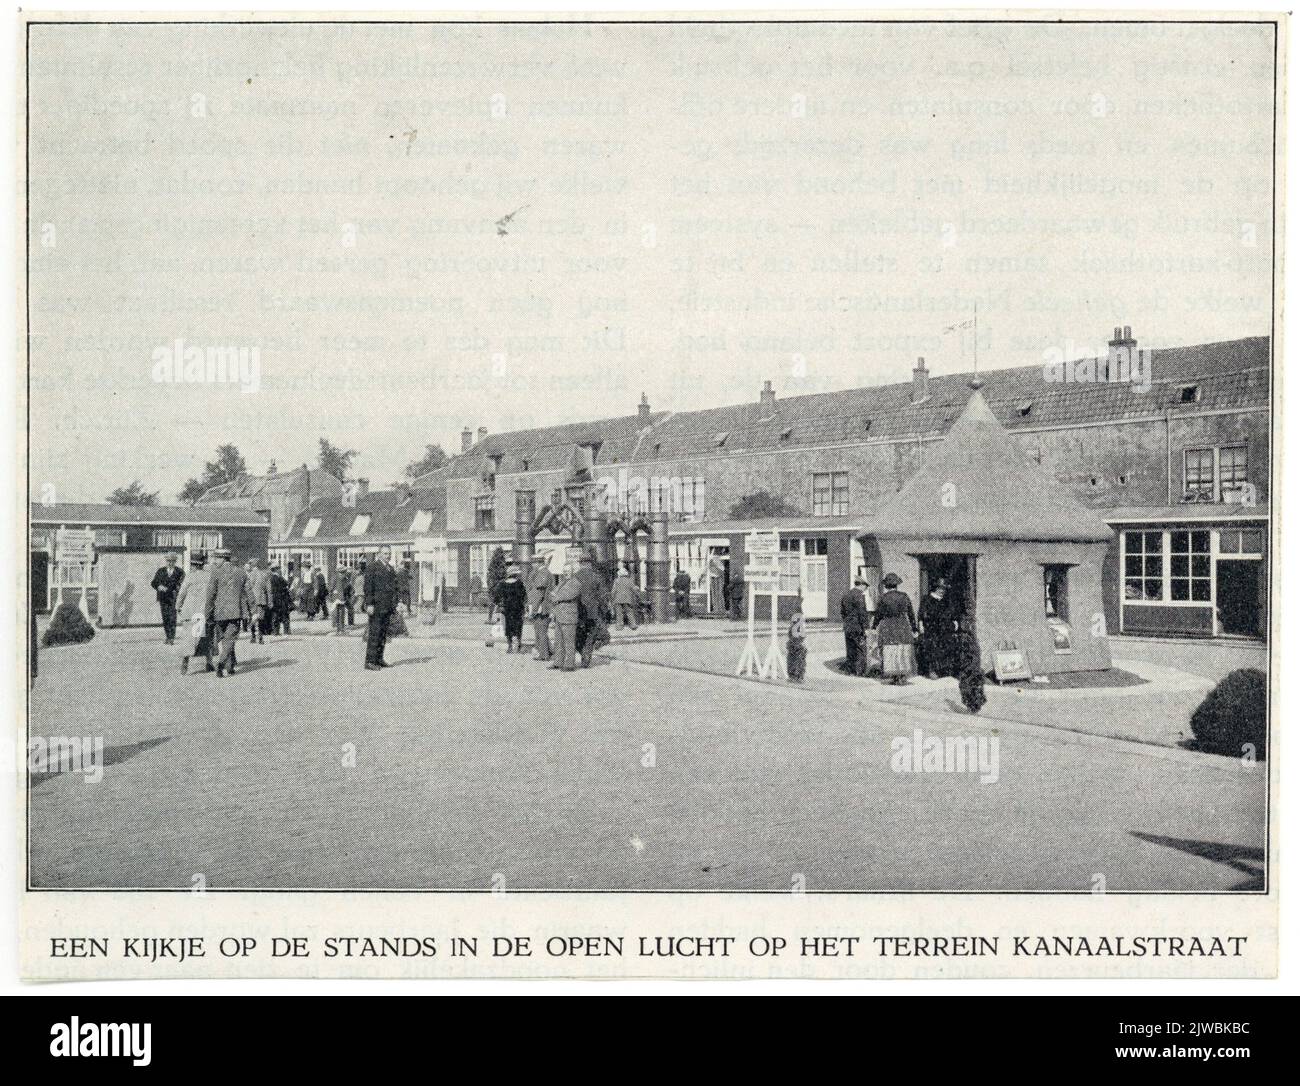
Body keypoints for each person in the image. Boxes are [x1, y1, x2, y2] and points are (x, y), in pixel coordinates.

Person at [204, 548, 255, 677]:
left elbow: (210, 595)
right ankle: (225, 664)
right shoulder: (241, 572)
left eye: (216, 558)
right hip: (235, 612)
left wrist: (207, 613)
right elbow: (249, 593)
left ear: (222, 558)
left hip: (219, 613)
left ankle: (225, 664)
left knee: (225, 640)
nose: (215, 561)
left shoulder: (215, 572)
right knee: (230, 639)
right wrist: (253, 611)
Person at [872, 572, 918, 686]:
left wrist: (874, 626)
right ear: (896, 585)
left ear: (886, 586)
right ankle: (902, 676)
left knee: (890, 649)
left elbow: (878, 614)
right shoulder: (904, 596)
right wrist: (914, 628)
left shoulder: (883, 598)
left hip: (888, 625)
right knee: (902, 648)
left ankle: (894, 676)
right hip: (902, 624)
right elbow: (911, 613)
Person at [363, 547, 401, 670]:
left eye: (389, 554)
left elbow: (394, 587)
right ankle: (370, 661)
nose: (388, 556)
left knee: (383, 634)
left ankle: (379, 659)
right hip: (376, 606)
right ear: (379, 554)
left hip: (387, 606)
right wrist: (369, 604)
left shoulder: (390, 569)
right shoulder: (372, 567)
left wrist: (396, 603)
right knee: (375, 633)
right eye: (385, 554)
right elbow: (368, 587)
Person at [175, 554, 213, 675]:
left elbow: (182, 593)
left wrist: (178, 606)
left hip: (190, 611)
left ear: (193, 565)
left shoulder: (189, 577)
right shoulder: (209, 576)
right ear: (202, 564)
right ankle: (209, 662)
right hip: (204, 611)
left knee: (188, 638)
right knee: (205, 637)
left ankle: (185, 663)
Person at [917, 579, 957, 680]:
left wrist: (954, 622)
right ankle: (932, 670)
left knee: (944, 648)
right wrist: (921, 625)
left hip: (944, 628)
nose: (942, 591)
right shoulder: (927, 599)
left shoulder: (945, 600)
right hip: (931, 628)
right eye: (940, 588)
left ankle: (943, 670)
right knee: (931, 649)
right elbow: (921, 614)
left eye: (943, 589)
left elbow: (951, 613)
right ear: (935, 588)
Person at [575, 552, 609, 667]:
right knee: (591, 635)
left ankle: (583, 652)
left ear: (580, 563)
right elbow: (603, 596)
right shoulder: (597, 576)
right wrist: (604, 610)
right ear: (590, 563)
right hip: (593, 612)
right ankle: (587, 654)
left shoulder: (574, 576)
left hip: (578, 611)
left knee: (578, 634)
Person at [550, 563, 583, 671]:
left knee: (569, 642)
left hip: (569, 617)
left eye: (568, 570)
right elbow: (552, 593)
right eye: (564, 571)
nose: (566, 572)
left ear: (573, 571)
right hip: (560, 616)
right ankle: (558, 662)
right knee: (558, 641)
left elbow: (568, 595)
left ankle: (569, 664)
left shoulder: (576, 583)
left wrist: (556, 597)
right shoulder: (562, 582)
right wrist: (556, 597)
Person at [149, 552, 184, 645]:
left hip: (173, 598)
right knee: (165, 618)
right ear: (166, 561)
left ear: (175, 561)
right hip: (163, 598)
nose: (170, 563)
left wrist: (176, 589)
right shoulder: (161, 571)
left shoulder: (179, 572)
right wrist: (159, 586)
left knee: (172, 618)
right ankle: (168, 636)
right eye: (168, 561)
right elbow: (153, 582)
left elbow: (182, 584)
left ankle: (171, 638)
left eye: (172, 561)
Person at [840, 575, 872, 676]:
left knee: (850, 649)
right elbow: (862, 613)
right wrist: (866, 627)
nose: (865, 589)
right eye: (866, 587)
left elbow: (842, 612)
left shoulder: (846, 595)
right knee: (860, 649)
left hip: (848, 626)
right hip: (857, 627)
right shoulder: (859, 596)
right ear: (862, 585)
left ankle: (850, 671)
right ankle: (859, 672)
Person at [493, 564, 528, 653]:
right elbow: (524, 596)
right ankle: (518, 645)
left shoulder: (502, 584)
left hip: (506, 609)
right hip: (518, 608)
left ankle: (510, 646)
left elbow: (496, 597)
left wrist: (497, 605)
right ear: (516, 574)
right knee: (518, 627)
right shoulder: (519, 583)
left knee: (508, 627)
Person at [527, 554, 553, 662]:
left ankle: (544, 655)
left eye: (534, 563)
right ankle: (547, 652)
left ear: (538, 563)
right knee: (540, 630)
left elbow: (539, 593)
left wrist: (533, 609)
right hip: (542, 607)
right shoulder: (541, 573)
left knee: (540, 631)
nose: (532, 565)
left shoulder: (543, 573)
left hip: (542, 608)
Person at [248, 558, 270, 644]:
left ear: (252, 565)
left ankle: (253, 636)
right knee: (261, 618)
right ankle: (260, 637)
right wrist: (269, 600)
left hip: (252, 600)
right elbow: (268, 589)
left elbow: (248, 587)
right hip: (262, 599)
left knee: (252, 617)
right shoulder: (264, 574)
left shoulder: (250, 575)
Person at [611, 566, 639, 630]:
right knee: (629, 612)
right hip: (627, 599)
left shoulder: (616, 580)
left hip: (618, 599)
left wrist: (612, 598)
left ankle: (619, 626)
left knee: (619, 613)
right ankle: (633, 625)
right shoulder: (629, 580)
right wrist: (637, 595)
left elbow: (613, 591)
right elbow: (634, 589)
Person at [787, 598, 807, 684]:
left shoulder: (795, 618)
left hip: (793, 639)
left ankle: (793, 675)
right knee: (799, 657)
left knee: (792, 657)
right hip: (798, 640)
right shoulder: (800, 617)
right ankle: (798, 675)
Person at [269, 564, 291, 635]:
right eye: (278, 568)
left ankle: (276, 631)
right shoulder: (279, 578)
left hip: (275, 599)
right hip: (281, 599)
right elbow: (286, 584)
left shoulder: (271, 578)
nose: (280, 570)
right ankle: (286, 631)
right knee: (285, 615)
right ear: (276, 569)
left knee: (276, 615)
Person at [331, 566, 352, 635]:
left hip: (342, 597)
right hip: (337, 598)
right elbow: (331, 588)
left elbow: (349, 588)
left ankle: (340, 629)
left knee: (341, 613)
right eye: (343, 572)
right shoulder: (338, 578)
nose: (343, 574)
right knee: (337, 613)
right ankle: (339, 629)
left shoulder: (345, 578)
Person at [351, 562, 366, 626]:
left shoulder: (357, 577)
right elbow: (363, 584)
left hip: (358, 590)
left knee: (359, 600)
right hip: (360, 591)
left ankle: (357, 609)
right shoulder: (361, 577)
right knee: (360, 600)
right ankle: (356, 609)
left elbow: (354, 584)